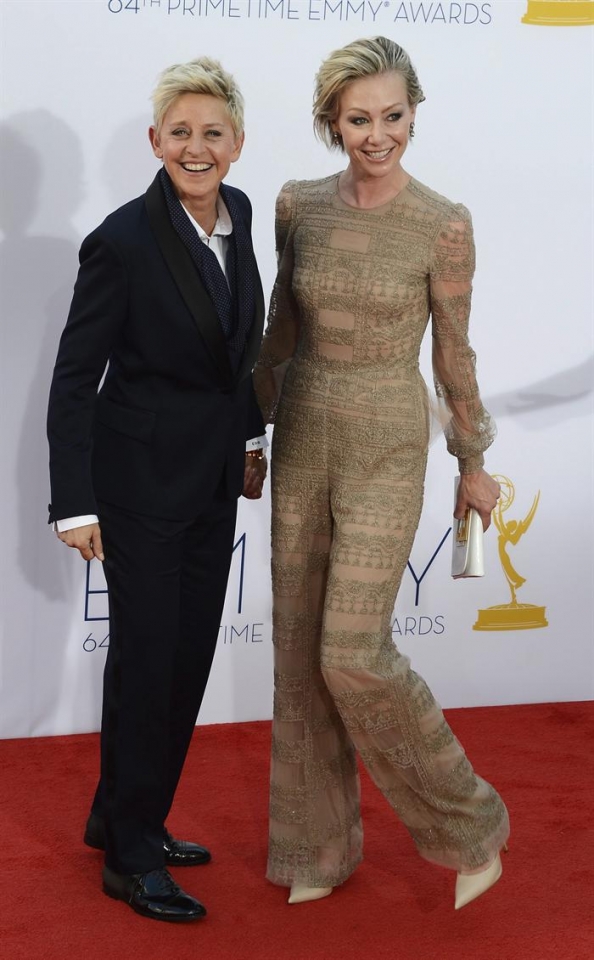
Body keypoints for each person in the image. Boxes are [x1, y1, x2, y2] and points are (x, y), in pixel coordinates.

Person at [254, 36, 509, 911]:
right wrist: (246, 431)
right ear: (332, 119)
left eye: (393, 116)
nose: (378, 134)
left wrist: (474, 460)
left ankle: (471, 826)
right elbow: (278, 334)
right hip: (303, 434)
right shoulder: (298, 206)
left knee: (352, 653)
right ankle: (317, 849)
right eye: (359, 118)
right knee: (296, 654)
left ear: (414, 111)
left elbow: (455, 354)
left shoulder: (443, 220)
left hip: (389, 443)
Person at [47, 57, 267, 923]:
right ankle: (131, 859)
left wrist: (250, 438)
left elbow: (233, 349)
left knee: (186, 660)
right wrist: (75, 501)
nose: (196, 146)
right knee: (147, 663)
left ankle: (122, 813)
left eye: (213, 132)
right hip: (136, 488)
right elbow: (74, 377)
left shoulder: (240, 214)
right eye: (180, 132)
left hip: (212, 482)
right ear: (154, 142)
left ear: (237, 144)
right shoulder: (124, 238)